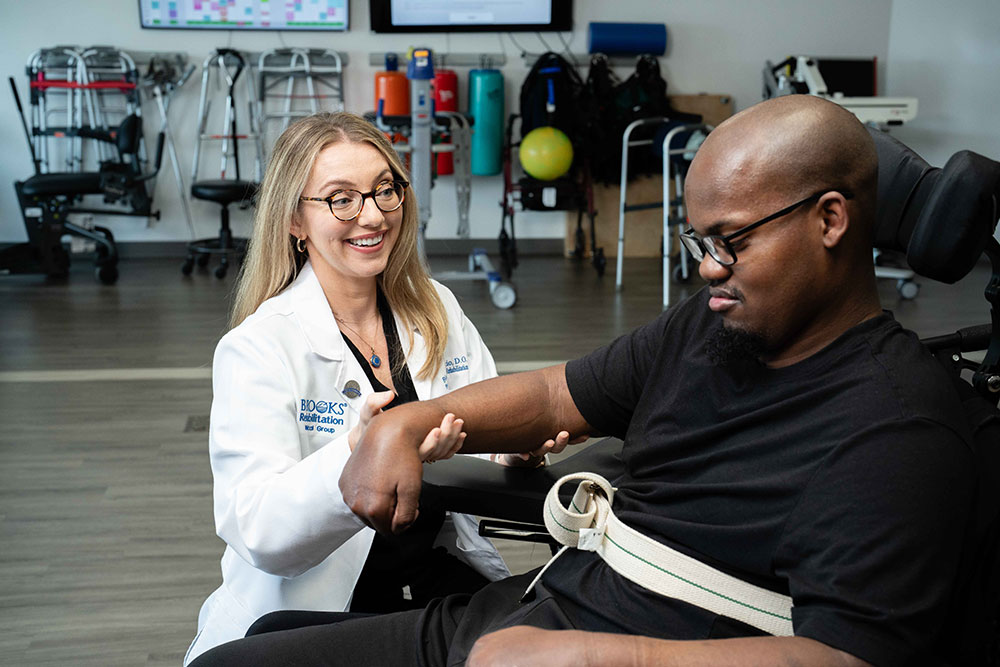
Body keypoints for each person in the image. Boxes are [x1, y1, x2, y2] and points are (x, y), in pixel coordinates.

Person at [190, 97, 975, 666]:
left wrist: (603, 656)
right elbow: (553, 396)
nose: (706, 268)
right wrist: (397, 428)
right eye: (697, 240)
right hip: (553, 598)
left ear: (831, 220)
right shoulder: (709, 323)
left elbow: (847, 659)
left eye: (730, 241)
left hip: (608, 637)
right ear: (296, 220)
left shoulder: (900, 426)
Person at [184, 112, 571, 664]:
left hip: (433, 583)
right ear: (296, 220)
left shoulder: (436, 307)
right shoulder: (259, 346)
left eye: (384, 189)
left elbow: (481, 421)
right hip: (318, 606)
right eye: (341, 198)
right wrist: (355, 452)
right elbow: (258, 530)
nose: (371, 215)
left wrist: (512, 448)